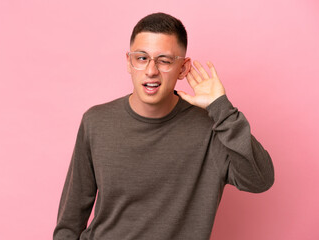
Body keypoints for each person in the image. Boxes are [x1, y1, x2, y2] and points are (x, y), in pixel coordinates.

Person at [53, 12, 274, 240]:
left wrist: (222, 110)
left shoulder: (213, 127)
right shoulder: (96, 122)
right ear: (129, 62)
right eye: (141, 58)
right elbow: (69, 221)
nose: (151, 71)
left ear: (183, 68)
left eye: (165, 61)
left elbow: (260, 180)